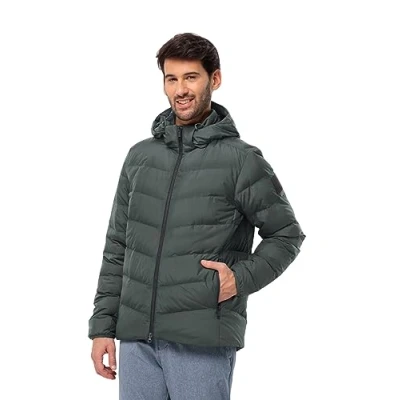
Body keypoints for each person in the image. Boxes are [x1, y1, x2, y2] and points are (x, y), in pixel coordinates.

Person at [88, 32, 306, 400]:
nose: (181, 90)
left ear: (214, 79)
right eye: (171, 79)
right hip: (137, 341)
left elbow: (286, 235)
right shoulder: (140, 157)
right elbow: (118, 246)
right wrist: (102, 327)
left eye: (191, 77)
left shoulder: (241, 159)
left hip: (201, 339)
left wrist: (238, 279)